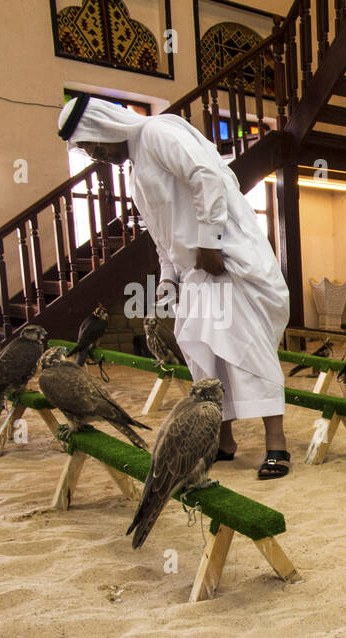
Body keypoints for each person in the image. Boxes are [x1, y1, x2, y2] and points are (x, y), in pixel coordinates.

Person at [58, 93, 291, 479]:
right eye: (85, 149)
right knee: (205, 358)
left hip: (227, 263)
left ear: (103, 127)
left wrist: (210, 242)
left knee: (248, 352)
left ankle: (276, 445)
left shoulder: (158, 132)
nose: (95, 153)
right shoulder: (136, 172)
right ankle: (224, 441)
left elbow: (208, 176)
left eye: (91, 143)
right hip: (197, 272)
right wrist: (168, 277)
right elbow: (161, 233)